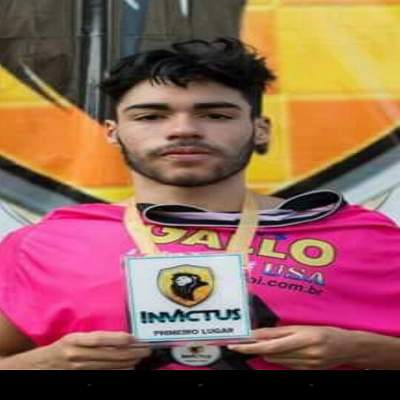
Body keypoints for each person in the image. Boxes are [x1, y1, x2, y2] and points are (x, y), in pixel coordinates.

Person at [1, 38, 400, 370]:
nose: (184, 130)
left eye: (215, 115)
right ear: (113, 132)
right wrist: (46, 362)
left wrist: (367, 351)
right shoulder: (45, 243)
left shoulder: (364, 237)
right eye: (150, 116)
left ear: (260, 129)